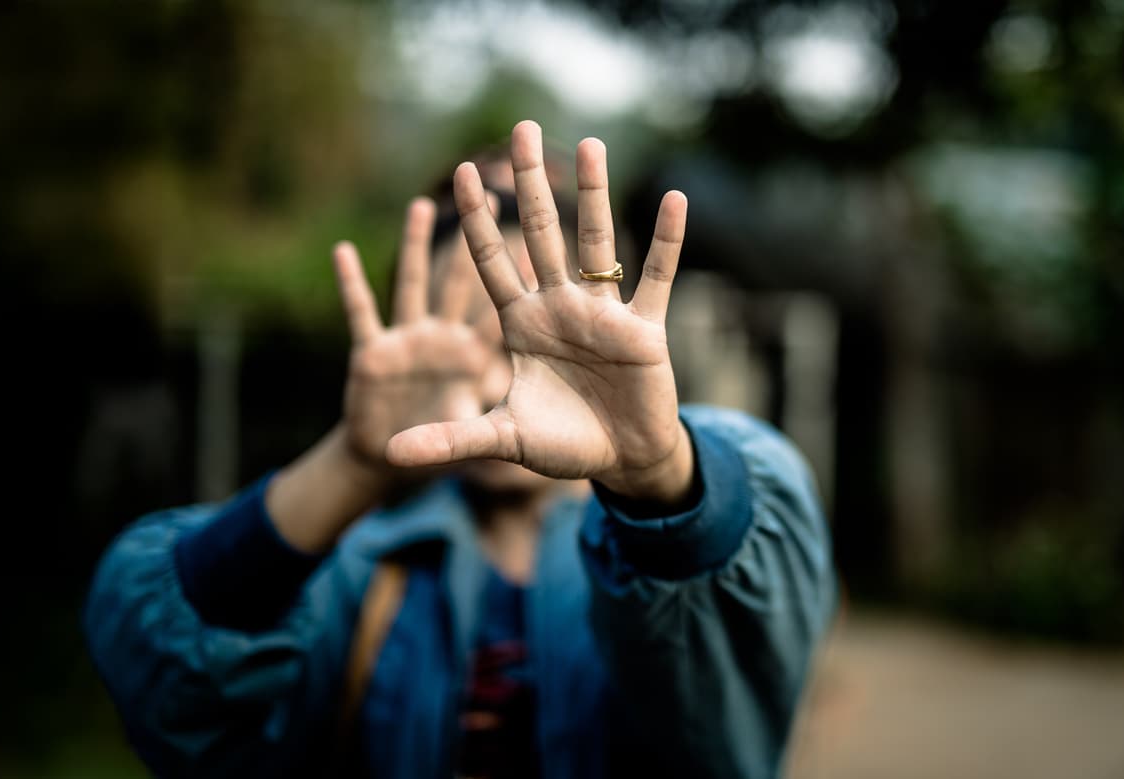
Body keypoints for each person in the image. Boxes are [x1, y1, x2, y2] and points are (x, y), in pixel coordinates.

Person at [82, 120, 835, 778]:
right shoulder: (356, 578)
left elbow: (739, 662)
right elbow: (158, 665)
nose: (490, 372)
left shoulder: (678, 573)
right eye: (461, 325)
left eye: (531, 333)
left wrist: (657, 473)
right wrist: (354, 458)